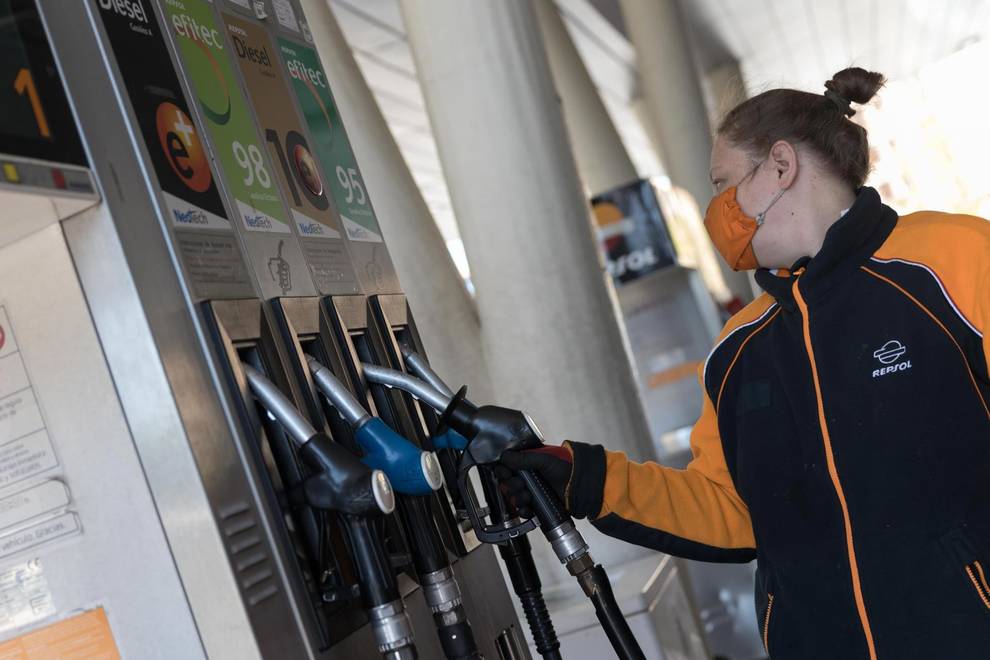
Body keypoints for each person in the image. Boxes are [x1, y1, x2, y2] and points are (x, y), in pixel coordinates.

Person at [498, 67, 990, 660]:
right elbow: (730, 511)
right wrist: (590, 479)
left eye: (723, 183)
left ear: (781, 167)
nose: (716, 210)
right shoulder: (738, 349)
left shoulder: (958, 261)